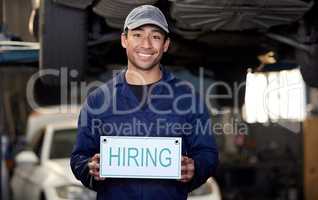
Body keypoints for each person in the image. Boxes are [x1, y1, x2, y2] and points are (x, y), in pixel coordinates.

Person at [70, 5, 218, 200]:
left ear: (165, 44)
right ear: (124, 40)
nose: (146, 44)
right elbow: (79, 157)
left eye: (155, 36)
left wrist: (195, 168)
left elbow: (207, 153)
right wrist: (90, 168)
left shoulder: (188, 99)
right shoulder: (98, 100)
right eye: (138, 35)